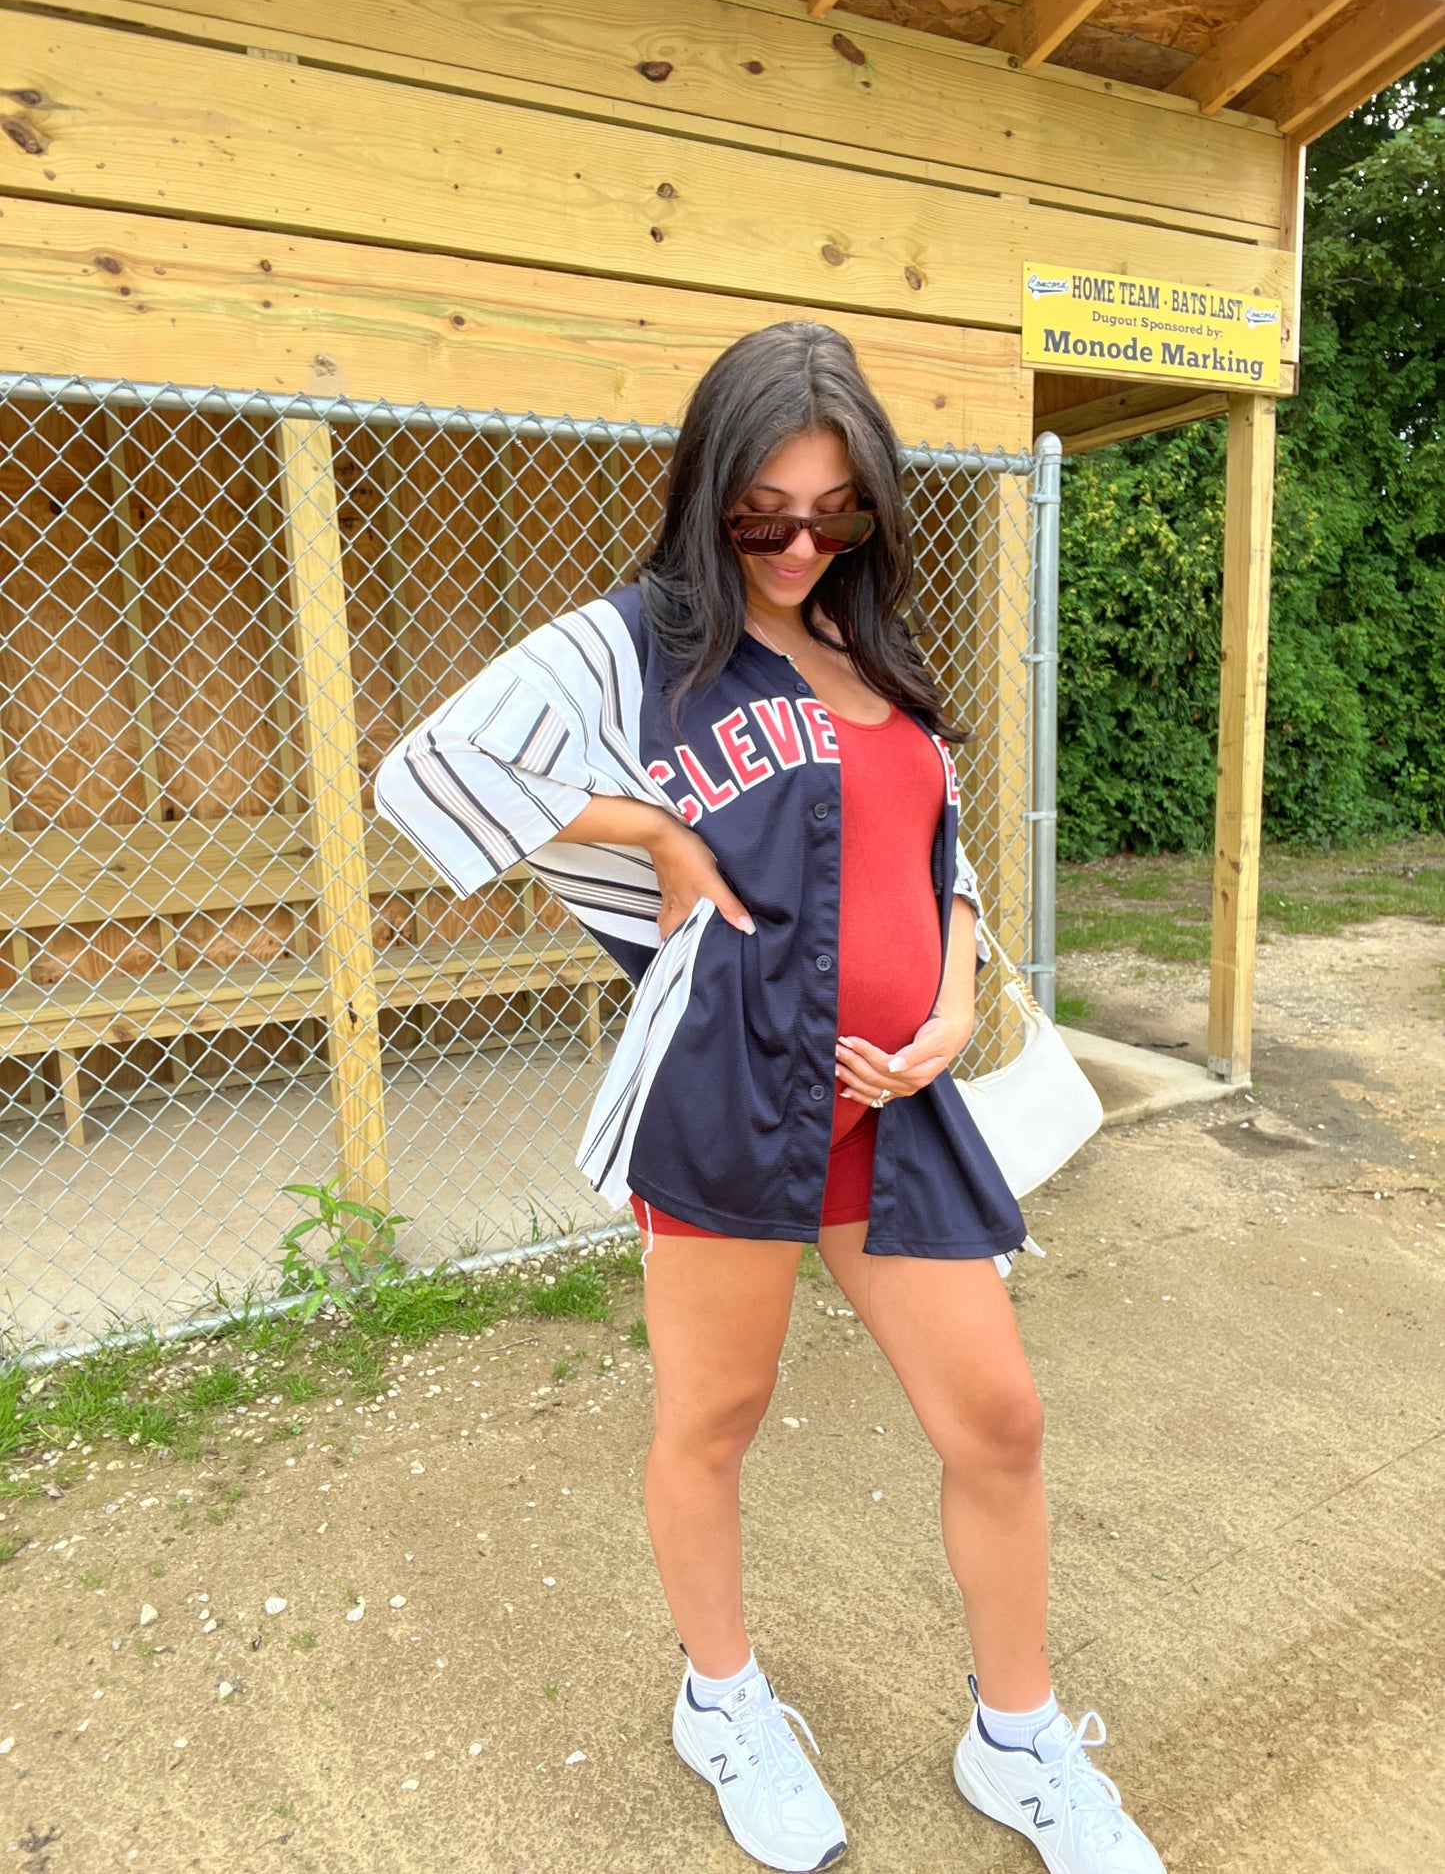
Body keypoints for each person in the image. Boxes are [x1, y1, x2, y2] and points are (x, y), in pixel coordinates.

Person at [374, 321, 1166, 1874]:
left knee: (997, 1418)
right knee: (717, 1415)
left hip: (895, 1102)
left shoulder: (885, 654)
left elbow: (936, 872)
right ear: (707, 495)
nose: (800, 544)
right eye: (765, 514)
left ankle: (1018, 1741)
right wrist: (660, 839)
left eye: (836, 511)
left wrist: (947, 1014)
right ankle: (720, 1700)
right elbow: (432, 770)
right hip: (729, 1085)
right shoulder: (637, 644)